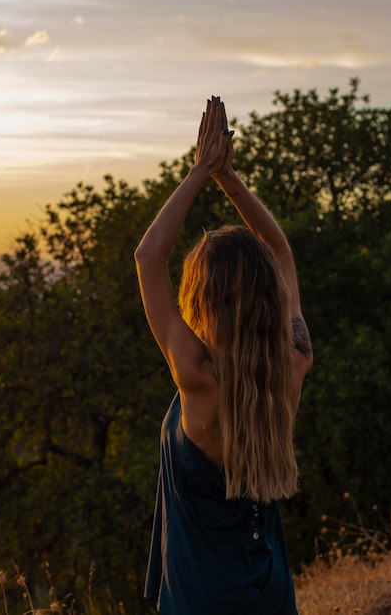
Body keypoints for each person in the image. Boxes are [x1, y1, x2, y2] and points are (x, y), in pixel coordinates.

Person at [135, 96, 313, 615]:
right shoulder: (294, 359)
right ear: (269, 293)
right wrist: (227, 178)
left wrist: (201, 172)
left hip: (201, 600)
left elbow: (148, 259)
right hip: (271, 592)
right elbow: (280, 252)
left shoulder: (198, 373)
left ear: (204, 296)